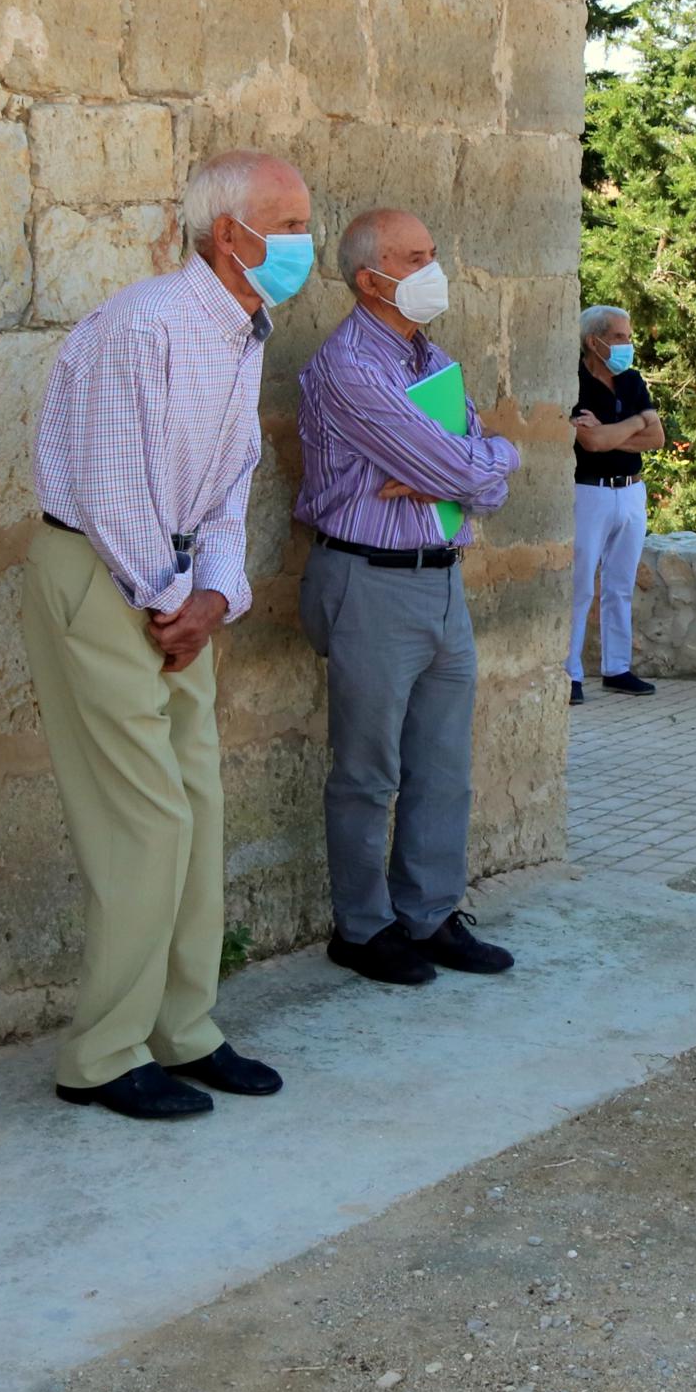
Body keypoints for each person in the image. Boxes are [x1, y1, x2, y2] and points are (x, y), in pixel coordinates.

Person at [27, 150, 310, 1119]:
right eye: (290, 221)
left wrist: (213, 598)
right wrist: (170, 597)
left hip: (176, 585)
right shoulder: (140, 325)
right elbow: (110, 491)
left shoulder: (244, 333)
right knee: (145, 817)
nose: (303, 241)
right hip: (108, 576)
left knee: (197, 802)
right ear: (230, 235)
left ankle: (183, 1028)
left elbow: (228, 485)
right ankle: (101, 1053)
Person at [297, 208, 521, 987]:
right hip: (370, 580)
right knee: (366, 769)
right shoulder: (349, 368)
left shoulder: (430, 359)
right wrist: (469, 462)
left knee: (442, 762)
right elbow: (468, 466)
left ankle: (429, 914)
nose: (435, 267)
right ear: (372, 279)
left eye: (433, 251)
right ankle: (363, 928)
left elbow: (485, 462)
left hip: (439, 579)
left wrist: (474, 459)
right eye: (417, 256)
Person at [569, 303, 663, 703]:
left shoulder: (630, 380)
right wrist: (636, 424)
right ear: (596, 341)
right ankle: (569, 671)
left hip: (631, 490)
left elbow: (657, 437)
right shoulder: (574, 380)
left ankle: (617, 667)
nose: (629, 345)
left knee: (620, 583)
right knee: (579, 585)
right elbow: (588, 442)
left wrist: (611, 433)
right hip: (588, 490)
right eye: (621, 337)